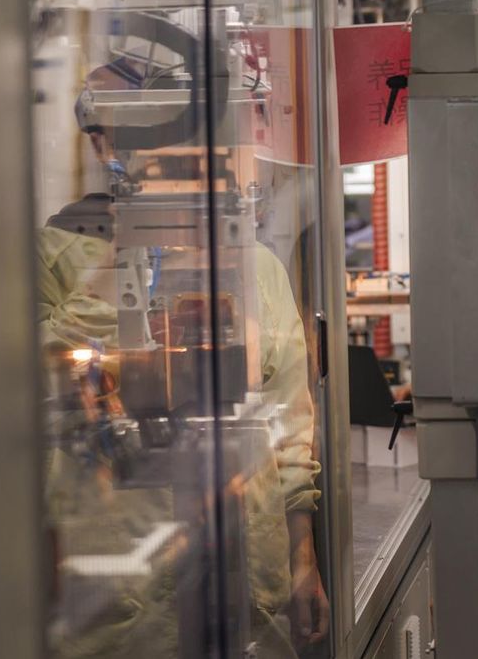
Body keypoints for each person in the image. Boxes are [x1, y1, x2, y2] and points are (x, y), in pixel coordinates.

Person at [37, 55, 328, 658]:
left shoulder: (256, 266)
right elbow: (40, 382)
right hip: (124, 587)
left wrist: (303, 561)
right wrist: (129, 246)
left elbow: (292, 427)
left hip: (247, 572)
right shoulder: (55, 254)